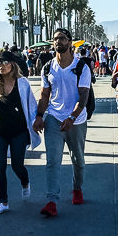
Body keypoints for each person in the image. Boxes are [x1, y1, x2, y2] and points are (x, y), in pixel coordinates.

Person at [32, 27, 91, 218]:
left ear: (70, 42)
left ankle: (77, 188)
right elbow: (44, 95)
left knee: (78, 160)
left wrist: (72, 118)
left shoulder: (81, 67)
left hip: (76, 121)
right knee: (52, 161)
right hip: (54, 119)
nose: (58, 42)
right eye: (56, 39)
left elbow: (83, 98)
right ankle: (51, 201)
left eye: (63, 38)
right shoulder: (48, 67)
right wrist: (39, 116)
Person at [0, 51, 40, 212]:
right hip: (0, 131)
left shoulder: (22, 83)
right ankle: (4, 202)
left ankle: (25, 181)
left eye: (5, 62)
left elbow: (31, 106)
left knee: (17, 165)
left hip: (19, 131)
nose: (1, 65)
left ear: (12, 64)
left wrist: (36, 122)